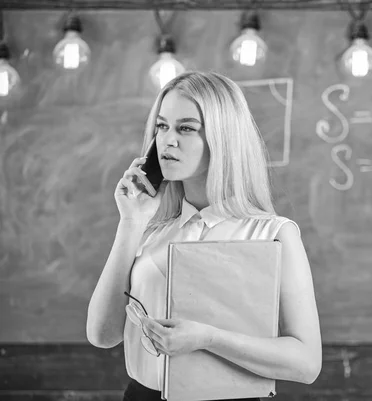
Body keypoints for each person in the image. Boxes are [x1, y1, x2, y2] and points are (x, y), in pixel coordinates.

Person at [86, 71, 322, 401]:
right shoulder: (148, 230)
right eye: (161, 126)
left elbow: (306, 364)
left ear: (222, 138)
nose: (167, 140)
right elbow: (102, 334)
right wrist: (130, 222)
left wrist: (208, 338)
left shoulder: (272, 233)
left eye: (186, 128)